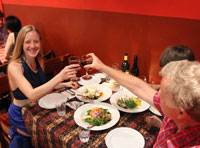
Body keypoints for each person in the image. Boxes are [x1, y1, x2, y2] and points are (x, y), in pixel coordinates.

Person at [85, 53, 200, 147]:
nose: (157, 93)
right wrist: (101, 66)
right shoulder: (176, 114)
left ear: (180, 112)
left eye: (163, 94)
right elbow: (139, 87)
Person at [7, 25, 80, 148]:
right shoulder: (15, 66)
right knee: (47, 136)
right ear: (21, 44)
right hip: (21, 114)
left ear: (40, 42)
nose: (33, 46)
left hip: (39, 108)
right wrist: (59, 77)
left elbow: (42, 86)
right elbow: (31, 94)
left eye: (36, 41)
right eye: (28, 42)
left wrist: (64, 84)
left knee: (64, 127)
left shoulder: (39, 60)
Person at [146, 45, 195, 127]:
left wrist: (159, 125)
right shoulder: (186, 82)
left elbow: (177, 136)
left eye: (167, 74)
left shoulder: (189, 104)